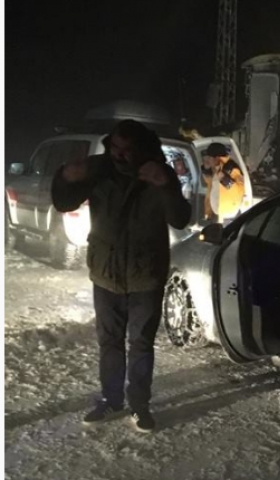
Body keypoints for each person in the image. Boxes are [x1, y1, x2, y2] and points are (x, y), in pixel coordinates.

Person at [51, 119, 191, 432]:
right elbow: (63, 201)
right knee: (109, 342)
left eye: (128, 150)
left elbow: (180, 218)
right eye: (115, 148)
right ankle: (110, 398)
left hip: (145, 275)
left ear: (142, 150)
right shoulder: (98, 170)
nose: (120, 155)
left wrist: (165, 185)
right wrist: (66, 177)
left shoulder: (158, 172)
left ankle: (140, 405)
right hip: (106, 273)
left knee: (141, 343)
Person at [201, 142, 245, 223]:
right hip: (219, 215)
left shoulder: (231, 168)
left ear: (216, 158)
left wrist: (224, 179)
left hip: (228, 217)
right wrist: (206, 169)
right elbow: (210, 182)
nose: (208, 160)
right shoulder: (218, 167)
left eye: (209, 157)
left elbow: (239, 192)